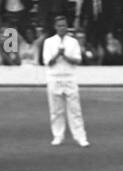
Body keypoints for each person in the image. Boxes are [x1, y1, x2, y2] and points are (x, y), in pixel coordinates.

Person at [43, 15, 89, 148]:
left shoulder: (73, 42)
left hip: (69, 77)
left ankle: (80, 137)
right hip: (54, 77)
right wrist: (58, 54)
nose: (62, 28)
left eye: (64, 25)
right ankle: (58, 135)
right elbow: (48, 62)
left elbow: (77, 60)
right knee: (56, 110)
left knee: (75, 109)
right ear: (55, 27)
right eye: (59, 25)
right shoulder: (49, 42)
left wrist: (65, 55)